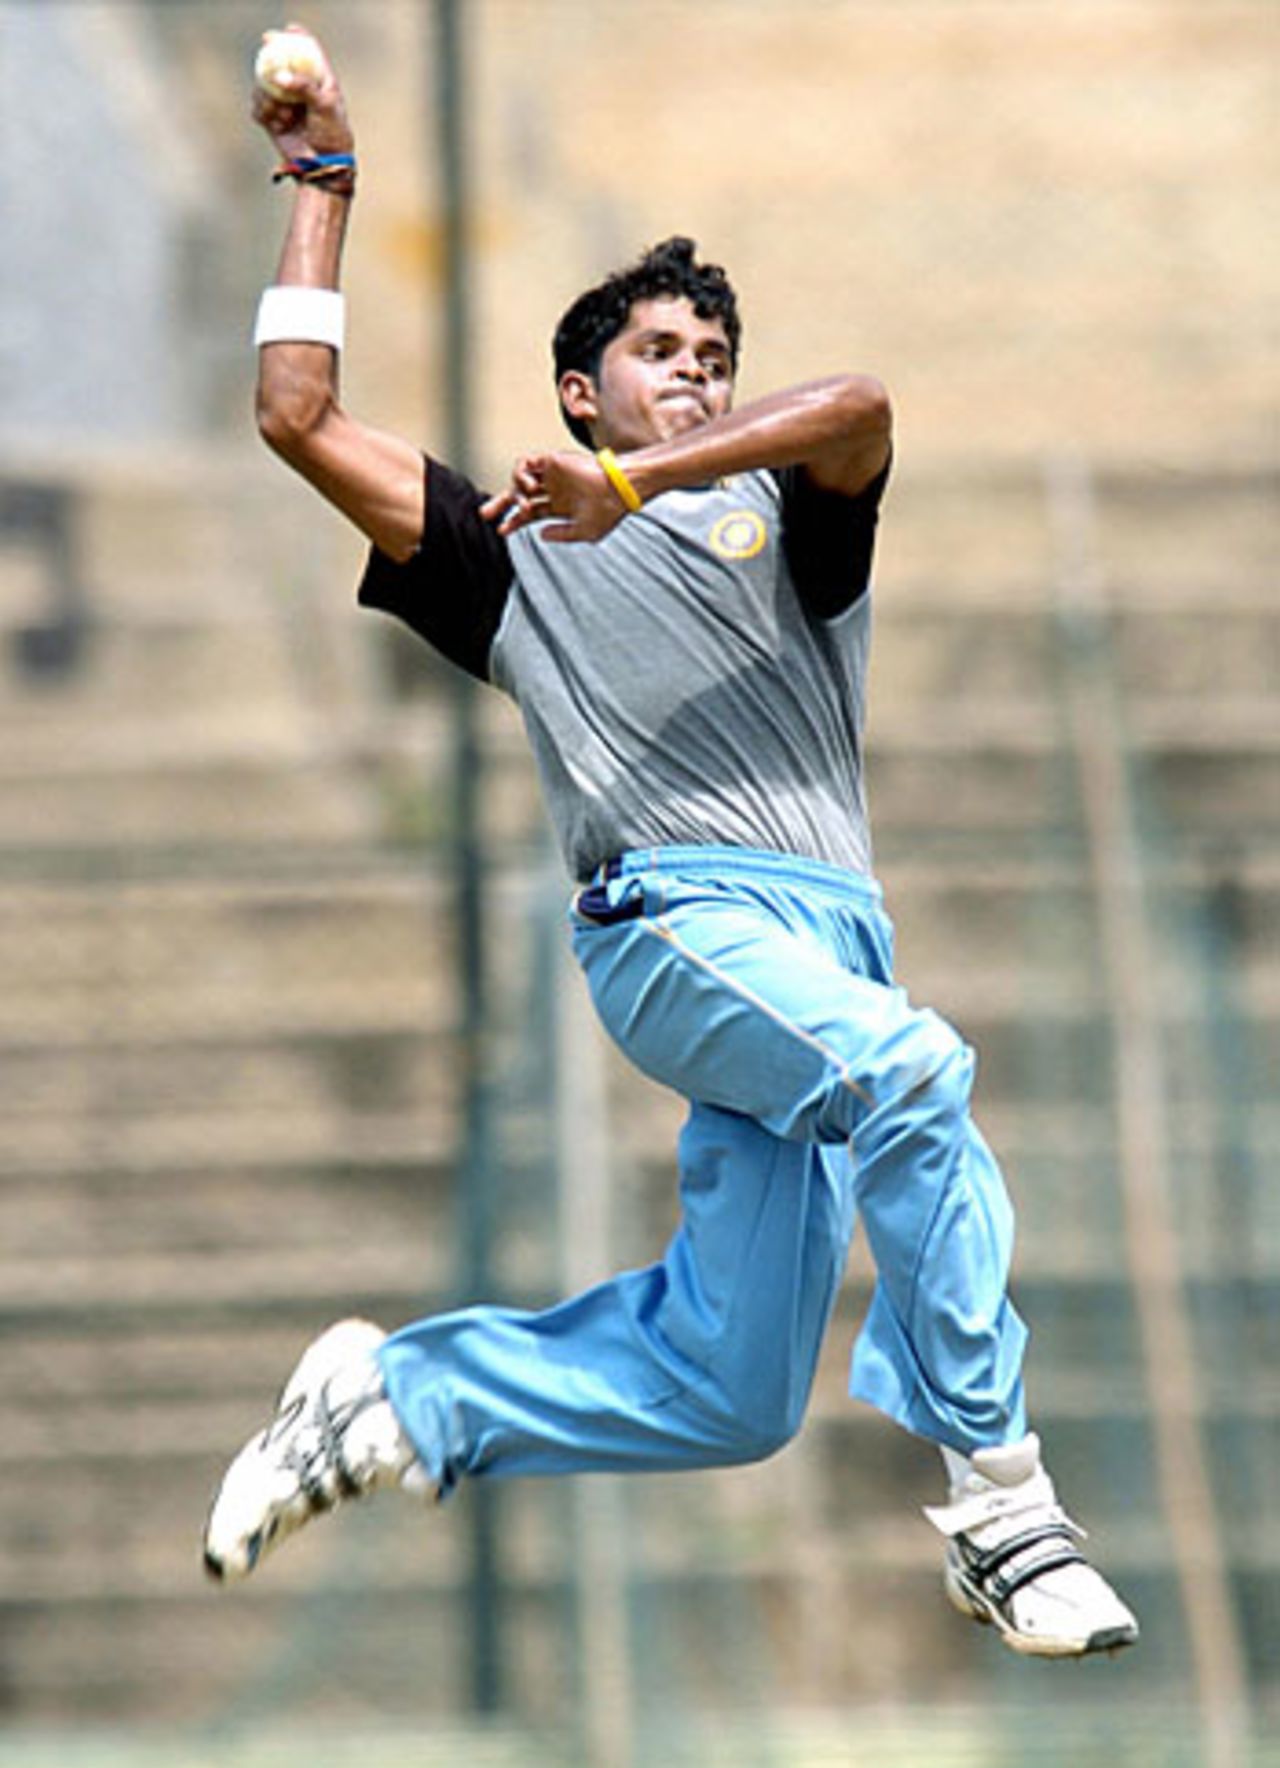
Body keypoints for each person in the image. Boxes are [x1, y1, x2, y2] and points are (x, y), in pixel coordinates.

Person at [203, 28, 1139, 1662]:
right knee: (913, 1073)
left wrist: (638, 479)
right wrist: (323, 180)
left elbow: (858, 406)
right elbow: (297, 417)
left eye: (713, 351)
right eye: (657, 351)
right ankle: (1004, 1505)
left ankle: (392, 1401)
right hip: (675, 925)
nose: (696, 368)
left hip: (824, 951)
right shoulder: (508, 554)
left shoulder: (785, 526)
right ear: (580, 391)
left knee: (734, 1389)